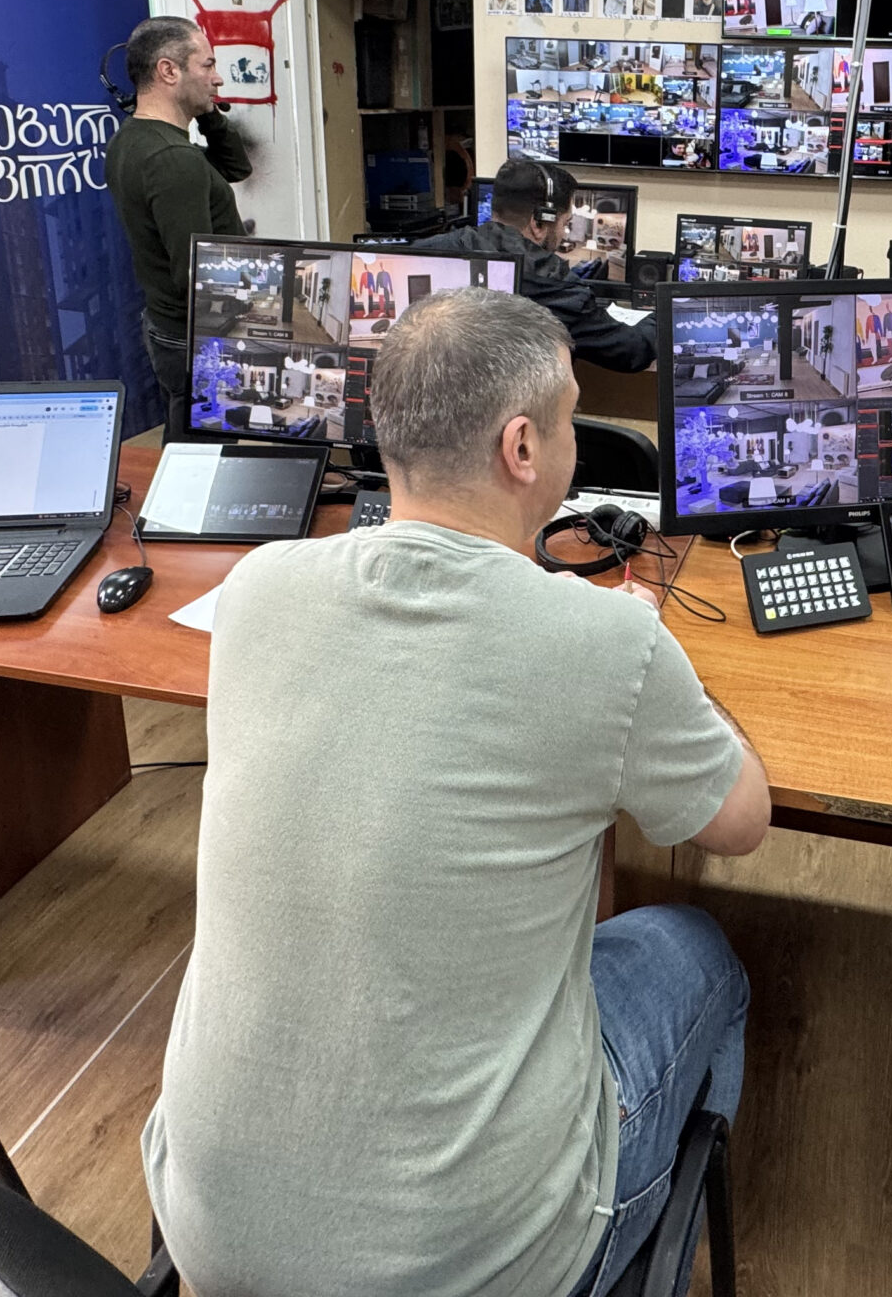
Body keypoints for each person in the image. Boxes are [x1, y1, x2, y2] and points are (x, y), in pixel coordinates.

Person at [145, 288, 769, 1297]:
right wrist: (645, 657)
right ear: (523, 448)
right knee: (695, 950)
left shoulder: (259, 588)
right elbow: (740, 822)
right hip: (483, 1267)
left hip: (207, 1237)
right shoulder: (607, 643)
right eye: (571, 419)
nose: (573, 440)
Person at [103, 15, 252, 419]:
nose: (218, 78)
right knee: (203, 443)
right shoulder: (172, 158)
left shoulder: (133, 139)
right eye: (208, 65)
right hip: (196, 338)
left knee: (190, 431)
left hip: (167, 327)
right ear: (168, 71)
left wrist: (206, 111)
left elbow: (236, 167)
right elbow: (197, 276)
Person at [414, 157, 657, 371]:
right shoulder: (557, 289)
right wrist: (662, 314)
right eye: (565, 223)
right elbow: (632, 352)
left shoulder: (430, 252)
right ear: (539, 223)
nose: (564, 233)